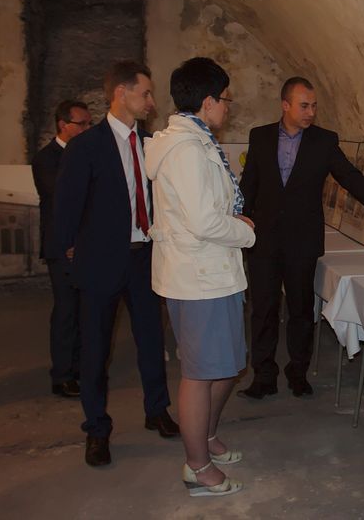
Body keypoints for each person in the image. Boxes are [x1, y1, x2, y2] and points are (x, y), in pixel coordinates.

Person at [238, 77, 364, 399]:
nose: (311, 112)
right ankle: (263, 376)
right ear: (285, 105)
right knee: (263, 309)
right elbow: (249, 182)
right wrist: (239, 218)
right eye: (304, 106)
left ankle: (298, 372)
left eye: (314, 106)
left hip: (302, 240)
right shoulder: (260, 136)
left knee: (301, 310)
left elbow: (349, 176)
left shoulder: (324, 141)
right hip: (264, 238)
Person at [53, 61, 178, 467]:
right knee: (95, 351)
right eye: (145, 93)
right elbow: (66, 207)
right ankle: (97, 429)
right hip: (100, 263)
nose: (151, 102)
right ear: (121, 94)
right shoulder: (86, 146)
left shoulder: (150, 144)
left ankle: (156, 410)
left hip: (143, 259)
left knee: (151, 341)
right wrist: (66, 257)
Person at [145, 57, 255, 496]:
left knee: (226, 366)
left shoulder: (198, 141)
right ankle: (196, 465)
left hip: (214, 272)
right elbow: (204, 221)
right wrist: (246, 231)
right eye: (225, 99)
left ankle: (205, 437)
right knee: (200, 372)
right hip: (198, 277)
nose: (227, 107)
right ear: (208, 101)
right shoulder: (187, 150)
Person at [31, 100, 93, 399]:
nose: (87, 129)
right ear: (63, 125)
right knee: (67, 310)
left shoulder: (87, 153)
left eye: (89, 123)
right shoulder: (46, 159)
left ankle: (81, 368)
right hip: (63, 247)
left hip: (86, 245)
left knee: (86, 310)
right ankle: (62, 375)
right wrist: (70, 243)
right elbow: (63, 201)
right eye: (82, 124)